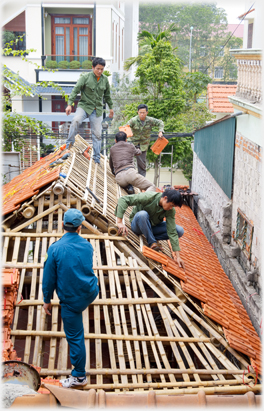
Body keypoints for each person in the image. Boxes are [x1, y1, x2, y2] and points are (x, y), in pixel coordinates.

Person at [42, 209, 99, 388]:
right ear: (80, 227)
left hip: (72, 300)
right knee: (78, 308)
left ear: (62, 225)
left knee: (75, 336)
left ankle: (79, 377)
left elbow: (49, 278)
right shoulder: (87, 245)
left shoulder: (55, 248)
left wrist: (47, 299)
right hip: (90, 291)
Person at [115, 189, 185, 268]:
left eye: (173, 206)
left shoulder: (170, 210)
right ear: (165, 198)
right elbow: (123, 199)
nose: (171, 208)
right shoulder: (148, 197)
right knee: (142, 214)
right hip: (138, 226)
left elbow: (172, 232)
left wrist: (178, 257)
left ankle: (151, 237)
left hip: (152, 227)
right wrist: (119, 222)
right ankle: (152, 243)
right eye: (171, 205)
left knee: (179, 230)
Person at [65, 57, 114, 164]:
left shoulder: (105, 80)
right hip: (84, 106)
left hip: (97, 109)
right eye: (98, 69)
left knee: (97, 134)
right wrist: (69, 105)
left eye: (102, 69)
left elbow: (107, 96)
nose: (100, 71)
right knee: (76, 120)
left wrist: (111, 108)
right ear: (92, 67)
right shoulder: (85, 77)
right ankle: (68, 145)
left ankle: (96, 157)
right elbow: (75, 90)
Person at [126, 104, 164, 177]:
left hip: (143, 145)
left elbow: (160, 122)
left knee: (142, 165)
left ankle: (141, 181)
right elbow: (126, 127)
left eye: (143, 112)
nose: (142, 114)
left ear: (147, 112)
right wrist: (126, 136)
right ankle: (130, 179)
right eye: (140, 112)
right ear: (138, 112)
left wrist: (160, 131)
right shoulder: (133, 120)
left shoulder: (150, 120)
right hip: (132, 143)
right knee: (129, 162)